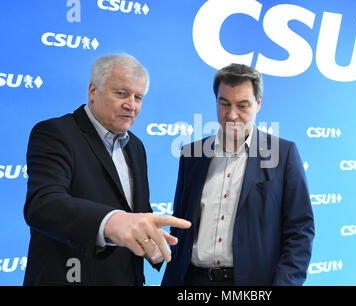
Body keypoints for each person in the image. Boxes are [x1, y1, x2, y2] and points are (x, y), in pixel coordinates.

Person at [23, 54, 190, 285]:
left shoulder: (136, 146)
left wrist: (153, 245)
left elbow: (136, 213)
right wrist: (111, 221)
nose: (131, 105)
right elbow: (43, 205)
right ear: (92, 91)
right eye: (121, 93)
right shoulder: (55, 133)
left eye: (138, 97)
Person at [162, 63, 314, 286]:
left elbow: (300, 232)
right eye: (224, 104)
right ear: (216, 102)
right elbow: (180, 225)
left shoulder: (283, 154)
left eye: (242, 106)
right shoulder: (191, 154)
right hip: (193, 281)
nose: (231, 115)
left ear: (258, 103)